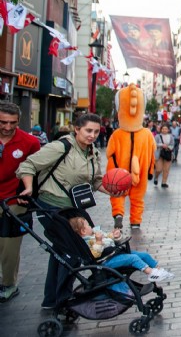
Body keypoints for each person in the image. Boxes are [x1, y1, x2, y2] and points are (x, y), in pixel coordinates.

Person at [16, 113, 126, 309]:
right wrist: (29, 187)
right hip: (51, 207)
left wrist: (113, 190)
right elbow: (28, 165)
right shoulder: (60, 147)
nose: (92, 135)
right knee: (74, 251)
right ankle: (63, 300)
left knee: (62, 251)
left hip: (74, 208)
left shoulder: (93, 152)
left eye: (95, 131)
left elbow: (95, 181)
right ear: (76, 129)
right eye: (87, 131)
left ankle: (52, 300)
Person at [0, 102, 41, 302]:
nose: (7, 127)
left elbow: (35, 170)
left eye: (12, 123)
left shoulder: (29, 142)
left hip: (14, 200)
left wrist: (30, 190)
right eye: (3, 122)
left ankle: (8, 284)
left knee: (9, 246)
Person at [68, 217, 174, 292]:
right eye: (88, 225)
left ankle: (159, 271)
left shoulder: (95, 233)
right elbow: (94, 254)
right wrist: (99, 241)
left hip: (115, 253)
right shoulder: (87, 241)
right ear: (83, 231)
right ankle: (151, 273)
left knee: (144, 255)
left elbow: (109, 237)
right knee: (133, 258)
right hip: (106, 261)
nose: (91, 226)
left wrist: (115, 235)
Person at [107, 84, 156, 230]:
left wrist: (111, 172)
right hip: (140, 172)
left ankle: (118, 214)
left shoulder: (116, 134)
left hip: (119, 171)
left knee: (117, 194)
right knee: (138, 198)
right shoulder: (147, 134)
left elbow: (110, 154)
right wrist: (150, 171)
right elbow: (152, 154)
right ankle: (135, 221)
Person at [154, 124, 174, 188]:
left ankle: (164, 182)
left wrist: (168, 147)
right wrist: (161, 145)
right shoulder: (157, 136)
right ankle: (156, 177)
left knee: (166, 169)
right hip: (159, 154)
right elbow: (154, 144)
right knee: (158, 169)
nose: (164, 130)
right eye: (163, 129)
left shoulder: (171, 136)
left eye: (166, 129)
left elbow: (172, 144)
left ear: (168, 130)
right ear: (161, 129)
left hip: (167, 153)